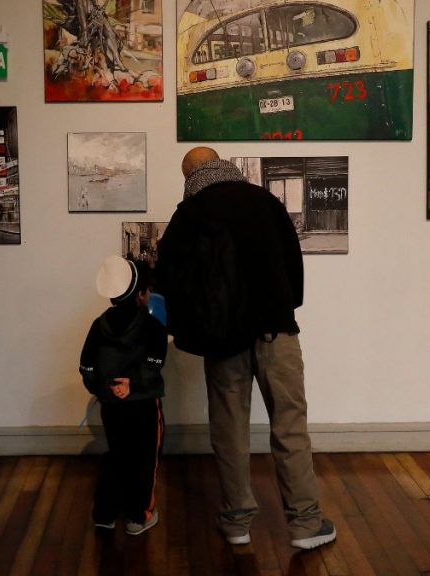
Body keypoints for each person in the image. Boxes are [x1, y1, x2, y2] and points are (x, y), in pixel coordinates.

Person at [155, 147, 336, 550]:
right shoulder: (265, 201)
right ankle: (305, 524)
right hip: (277, 332)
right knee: (290, 427)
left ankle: (236, 521)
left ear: (189, 175)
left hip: (223, 341)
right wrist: (281, 308)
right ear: (223, 164)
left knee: (229, 431)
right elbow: (293, 266)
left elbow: (168, 279)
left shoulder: (189, 214)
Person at [79, 256, 167, 535]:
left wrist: (105, 389)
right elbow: (155, 360)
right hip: (143, 405)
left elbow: (87, 366)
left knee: (118, 455)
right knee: (145, 459)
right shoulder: (152, 325)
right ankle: (138, 516)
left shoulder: (98, 324)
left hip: (111, 406)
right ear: (141, 293)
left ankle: (104, 514)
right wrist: (134, 384)